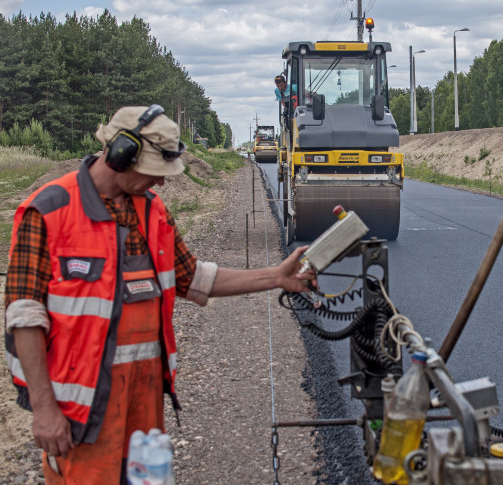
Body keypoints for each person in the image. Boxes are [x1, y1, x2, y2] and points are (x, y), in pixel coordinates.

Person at [3, 105, 316, 484]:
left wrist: (276, 277)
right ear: (121, 154)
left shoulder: (152, 211)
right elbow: (24, 316)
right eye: (155, 172)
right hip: (80, 414)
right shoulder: (48, 211)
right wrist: (44, 409)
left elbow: (192, 278)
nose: (162, 184)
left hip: (143, 406)